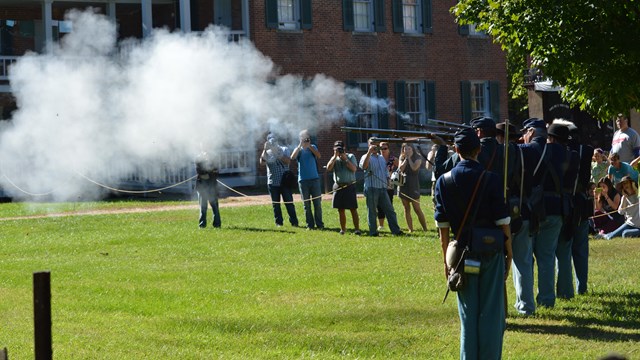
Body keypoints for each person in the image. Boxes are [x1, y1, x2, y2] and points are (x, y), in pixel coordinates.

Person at [434, 127, 512, 360]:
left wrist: (446, 262)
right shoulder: (491, 179)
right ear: (478, 150)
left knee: (468, 316)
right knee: (491, 314)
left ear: (456, 150)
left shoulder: (443, 181)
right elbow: (503, 222)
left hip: (462, 256)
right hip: (490, 251)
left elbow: (443, 230)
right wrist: (509, 254)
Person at [553, 119, 594, 299]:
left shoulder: (563, 152)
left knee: (564, 247)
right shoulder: (587, 150)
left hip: (566, 202)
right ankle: (581, 286)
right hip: (582, 202)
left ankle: (566, 288)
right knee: (581, 248)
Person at [359, 137, 403, 236]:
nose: (374, 146)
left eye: (376, 144)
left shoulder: (381, 158)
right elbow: (364, 167)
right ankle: (373, 232)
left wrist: (388, 179)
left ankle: (396, 231)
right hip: (371, 188)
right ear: (368, 145)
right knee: (372, 211)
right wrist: (369, 153)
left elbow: (385, 171)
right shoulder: (365, 156)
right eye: (372, 144)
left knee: (390, 210)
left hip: (383, 188)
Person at [260, 133, 299, 228]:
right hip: (273, 182)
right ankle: (279, 223)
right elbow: (261, 162)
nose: (272, 143)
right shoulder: (267, 153)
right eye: (270, 141)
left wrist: (276, 152)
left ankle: (294, 222)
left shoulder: (284, 149)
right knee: (276, 205)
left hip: (284, 181)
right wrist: (265, 149)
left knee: (289, 203)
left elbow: (287, 161)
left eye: (273, 141)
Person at [290, 129, 324, 230]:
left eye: (306, 137)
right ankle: (310, 225)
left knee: (317, 203)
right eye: (303, 137)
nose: (305, 139)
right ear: (300, 138)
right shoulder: (298, 149)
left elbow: (318, 155)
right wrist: (300, 145)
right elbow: (292, 157)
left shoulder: (313, 147)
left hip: (315, 179)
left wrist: (309, 146)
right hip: (303, 180)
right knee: (306, 205)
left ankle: (320, 224)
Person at [326, 140, 361, 235]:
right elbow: (328, 168)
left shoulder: (351, 156)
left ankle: (357, 229)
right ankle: (343, 229)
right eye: (336, 147)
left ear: (344, 148)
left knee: (353, 209)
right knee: (340, 209)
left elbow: (354, 169)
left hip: (349, 185)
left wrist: (345, 159)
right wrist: (334, 156)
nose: (338, 149)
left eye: (340, 147)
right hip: (338, 185)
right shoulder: (334, 159)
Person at [398, 143, 428, 232]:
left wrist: (409, 159)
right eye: (405, 149)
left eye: (409, 149)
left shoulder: (418, 157)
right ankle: (410, 229)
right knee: (406, 208)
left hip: (413, 184)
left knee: (417, 208)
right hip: (403, 184)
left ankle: (425, 228)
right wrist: (405, 160)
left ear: (412, 149)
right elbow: (400, 169)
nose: (407, 151)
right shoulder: (402, 157)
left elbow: (414, 168)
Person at [195, 145, 221, 228]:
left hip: (212, 184)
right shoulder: (198, 158)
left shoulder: (214, 157)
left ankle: (217, 224)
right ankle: (202, 225)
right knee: (203, 206)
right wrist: (210, 171)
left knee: (215, 206)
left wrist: (210, 171)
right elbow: (201, 172)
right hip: (202, 185)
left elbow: (216, 170)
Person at [376, 142, 398, 231]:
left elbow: (400, 167)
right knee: (379, 205)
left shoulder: (392, 159)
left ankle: (391, 224)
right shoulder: (377, 158)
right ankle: (381, 225)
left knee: (389, 204)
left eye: (385, 148)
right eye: (381, 148)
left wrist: (395, 174)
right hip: (379, 184)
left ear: (388, 149)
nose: (383, 150)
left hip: (389, 185)